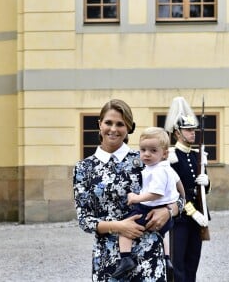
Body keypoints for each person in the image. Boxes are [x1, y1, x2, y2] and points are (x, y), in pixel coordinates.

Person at [73, 99, 182, 281]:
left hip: (149, 257)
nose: (113, 129)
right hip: (108, 259)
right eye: (108, 122)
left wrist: (168, 211)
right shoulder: (84, 168)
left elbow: (179, 199)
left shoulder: (146, 158)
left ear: (129, 127)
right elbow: (85, 220)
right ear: (100, 124)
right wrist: (119, 226)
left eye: (120, 124)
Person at [112, 127, 181, 279]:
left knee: (125, 229)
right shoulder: (164, 167)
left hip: (150, 210)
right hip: (163, 213)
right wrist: (176, 198)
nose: (147, 154)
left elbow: (156, 193)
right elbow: (178, 183)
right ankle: (167, 258)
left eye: (152, 150)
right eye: (143, 150)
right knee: (164, 233)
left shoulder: (156, 170)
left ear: (164, 153)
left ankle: (125, 258)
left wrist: (136, 198)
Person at [164, 97, 211, 282]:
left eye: (194, 130)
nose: (193, 133)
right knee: (178, 264)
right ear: (177, 133)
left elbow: (204, 192)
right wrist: (192, 212)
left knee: (193, 261)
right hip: (181, 218)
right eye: (188, 130)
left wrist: (206, 182)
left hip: (198, 217)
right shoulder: (172, 158)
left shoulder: (199, 155)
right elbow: (174, 194)